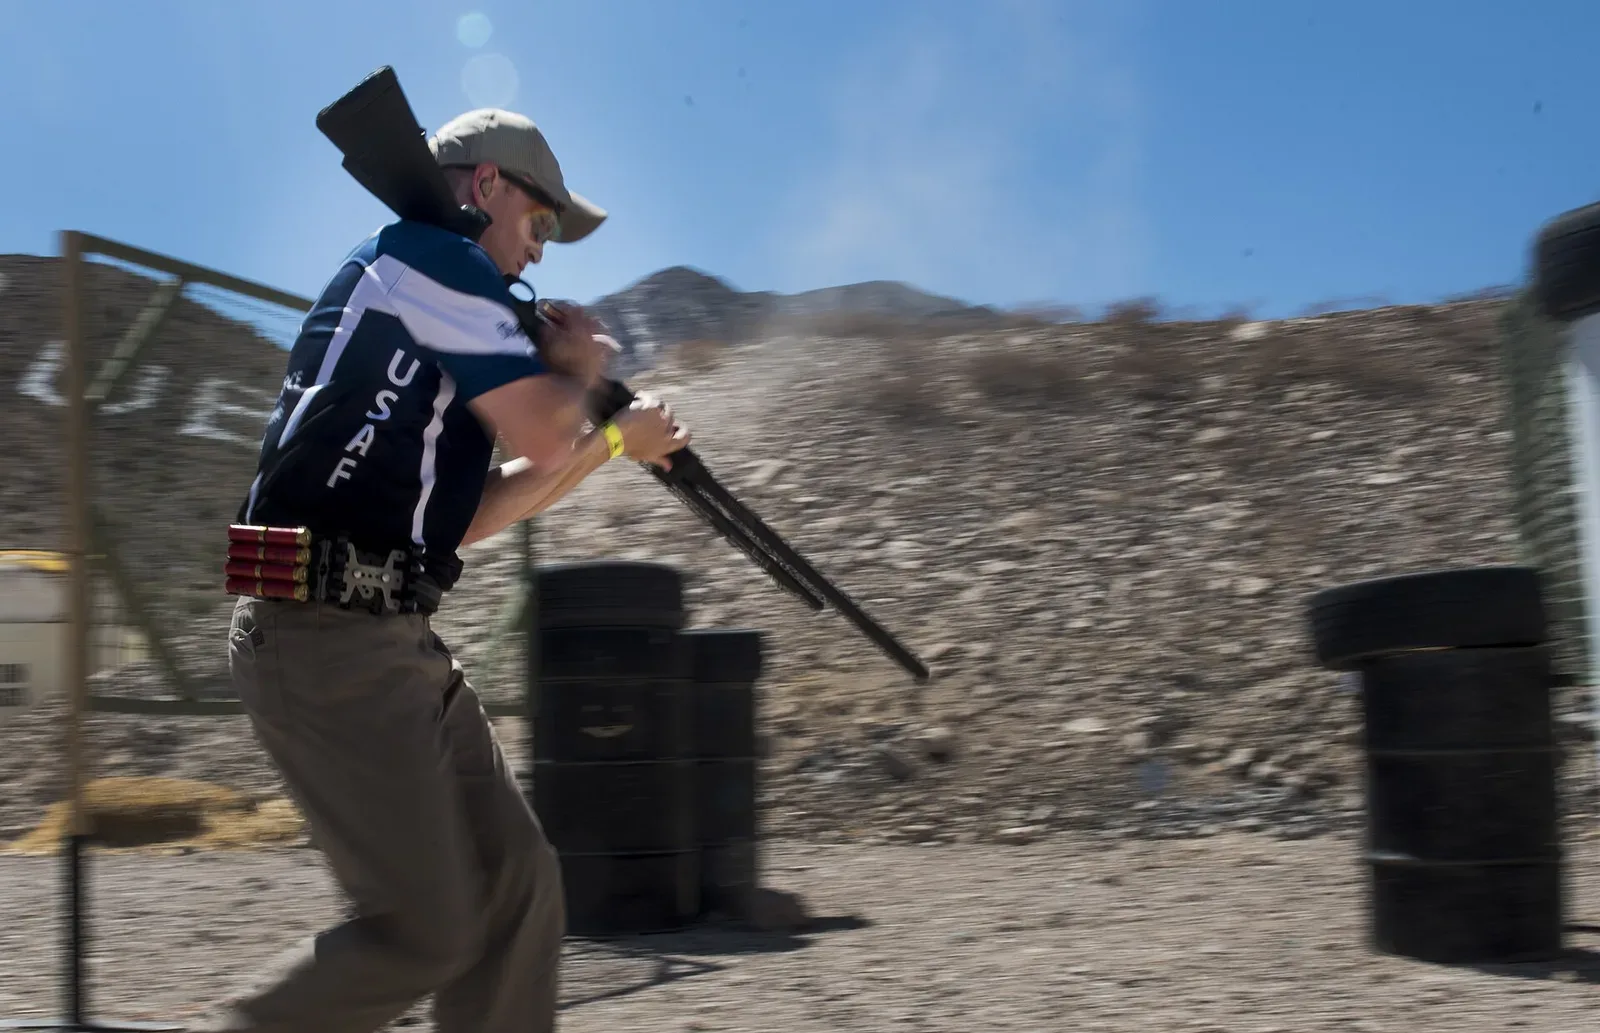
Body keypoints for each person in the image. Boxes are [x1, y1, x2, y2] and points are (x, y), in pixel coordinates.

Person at [200, 107, 687, 1033]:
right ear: (489, 186)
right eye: (542, 224)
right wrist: (585, 382)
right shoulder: (433, 257)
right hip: (324, 633)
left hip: (383, 634)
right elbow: (547, 434)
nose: (541, 254)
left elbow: (470, 515)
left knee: (518, 891)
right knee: (424, 930)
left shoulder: (447, 295)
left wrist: (611, 438)